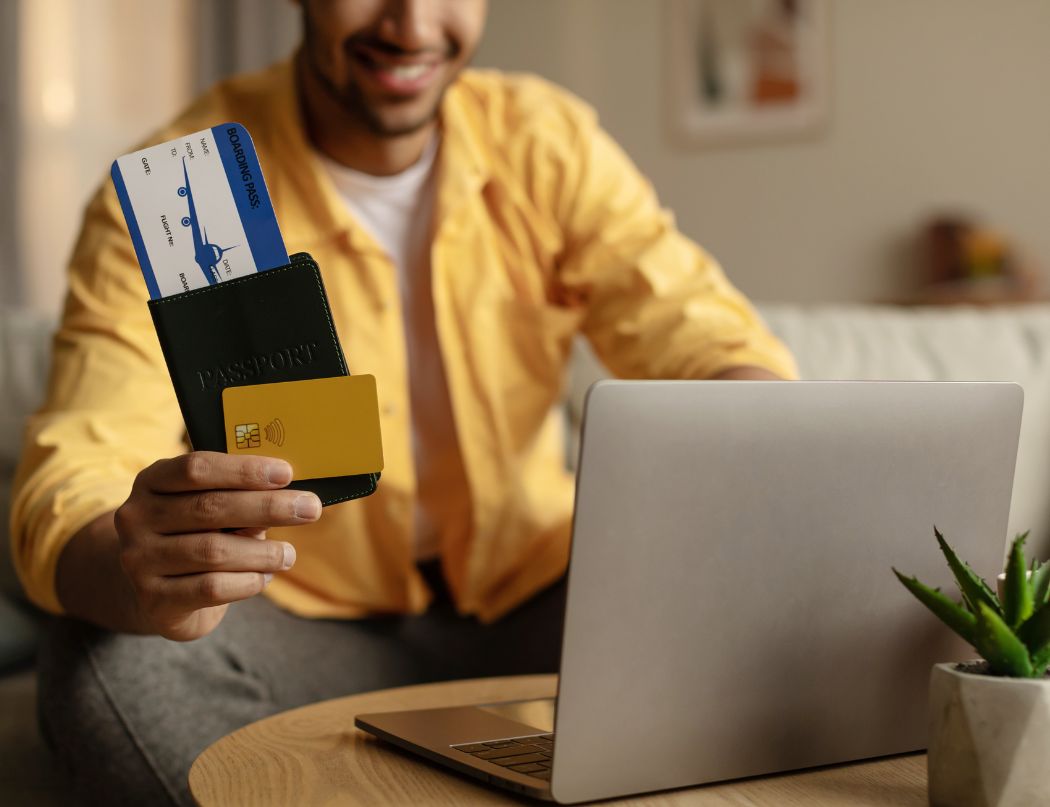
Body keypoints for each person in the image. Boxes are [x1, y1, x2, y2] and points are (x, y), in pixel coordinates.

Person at [10, 1, 796, 804]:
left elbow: (700, 336)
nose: (412, 25)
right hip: (303, 619)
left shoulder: (545, 142)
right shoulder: (176, 189)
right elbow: (76, 471)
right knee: (105, 666)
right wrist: (146, 569)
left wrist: (775, 442)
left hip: (549, 604)